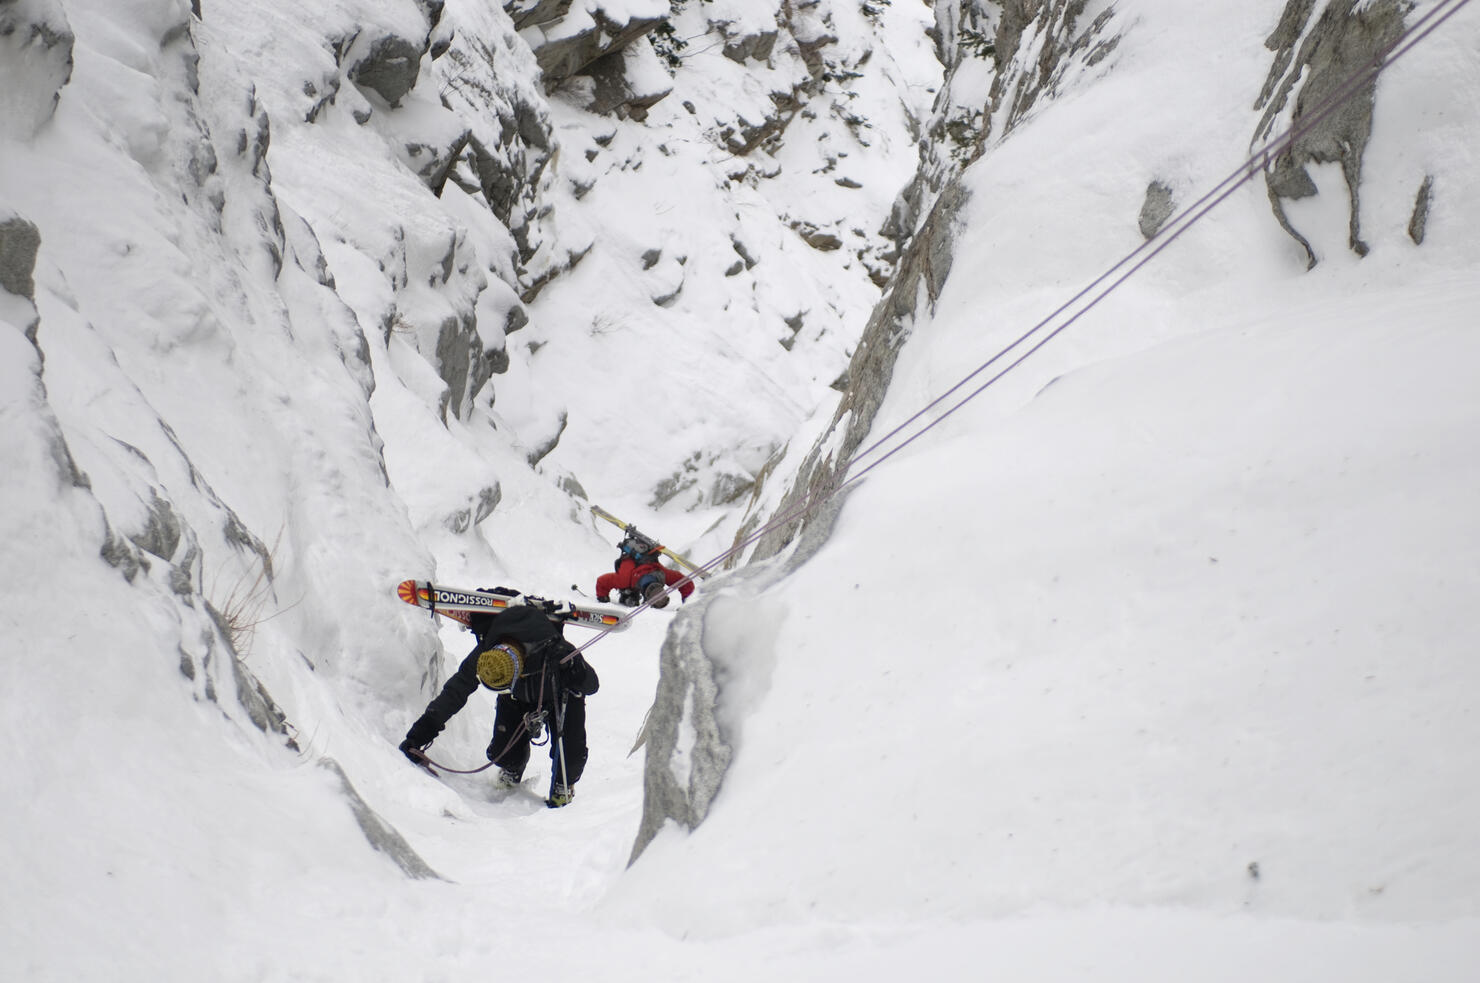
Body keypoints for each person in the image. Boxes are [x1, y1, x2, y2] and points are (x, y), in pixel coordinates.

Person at [398, 590, 599, 808]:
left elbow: (592, 685)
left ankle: (563, 786)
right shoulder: (487, 653)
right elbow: (454, 693)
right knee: (501, 753)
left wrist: (576, 670)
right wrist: (418, 735)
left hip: (559, 694)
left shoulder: (557, 652)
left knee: (570, 757)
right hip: (517, 696)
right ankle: (512, 767)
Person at [595, 526, 694, 608]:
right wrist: (603, 599)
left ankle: (630, 594)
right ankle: (628, 594)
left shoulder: (662, 574)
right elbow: (602, 581)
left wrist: (602, 597)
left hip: (644, 565)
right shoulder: (625, 578)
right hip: (630, 564)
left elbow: (685, 583)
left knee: (630, 595)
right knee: (629, 595)